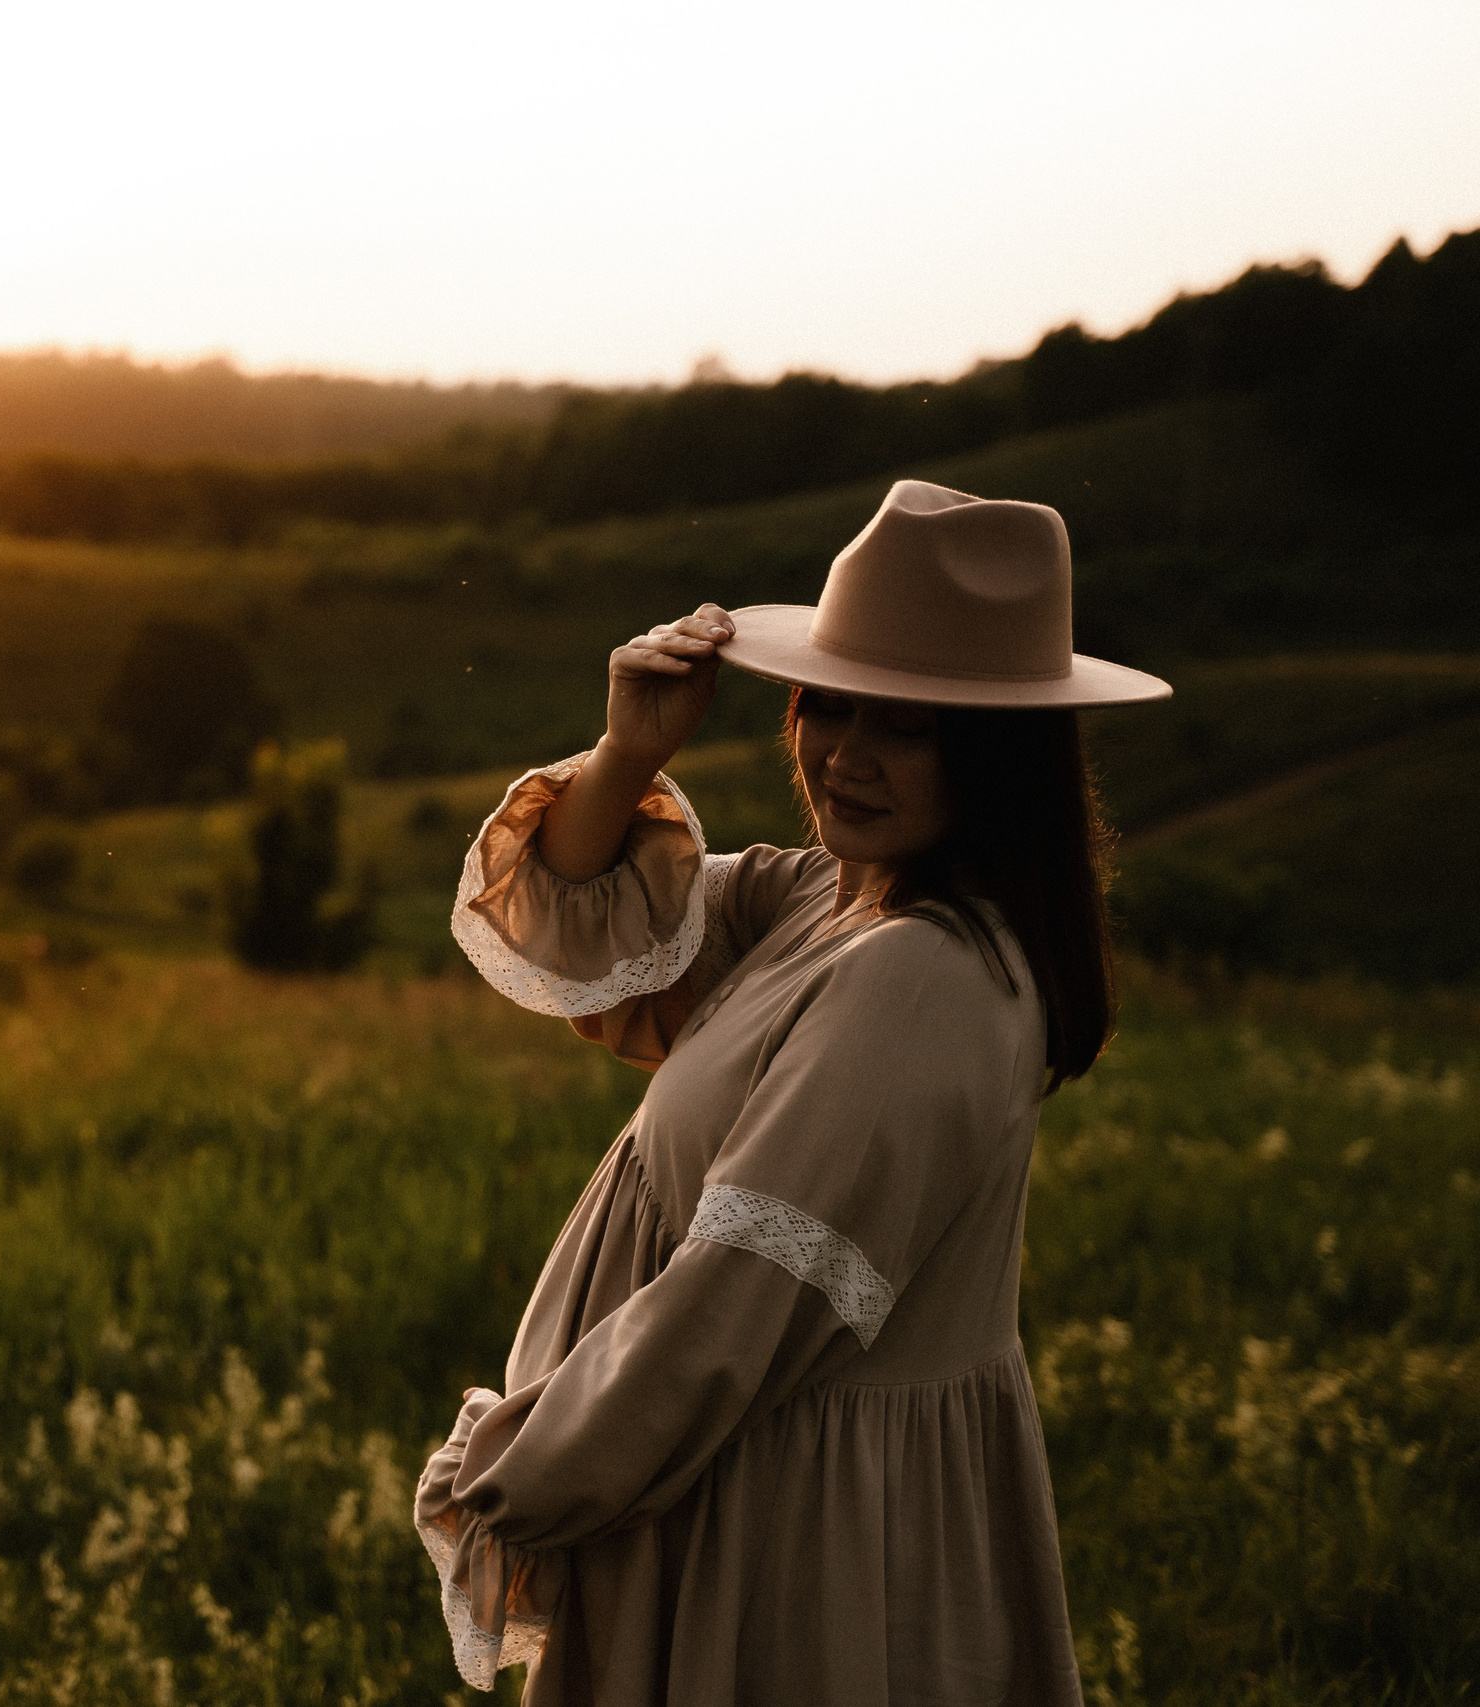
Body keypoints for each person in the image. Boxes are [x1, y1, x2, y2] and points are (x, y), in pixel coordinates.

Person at [415, 480, 1171, 1705]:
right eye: (828, 703)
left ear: (998, 751)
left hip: (779, 1521)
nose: (843, 755)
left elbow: (738, 1309)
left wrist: (519, 1474)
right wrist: (628, 752)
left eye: (907, 726)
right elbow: (585, 926)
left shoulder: (922, 973)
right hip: (713, 1480)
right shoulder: (828, 895)